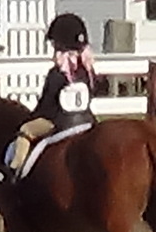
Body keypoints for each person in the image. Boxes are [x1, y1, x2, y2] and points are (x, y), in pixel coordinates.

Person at [7, 13, 99, 174]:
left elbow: (47, 105)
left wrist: (32, 117)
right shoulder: (86, 71)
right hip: (86, 119)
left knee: (25, 130)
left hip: (59, 122)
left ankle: (14, 170)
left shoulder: (57, 73)